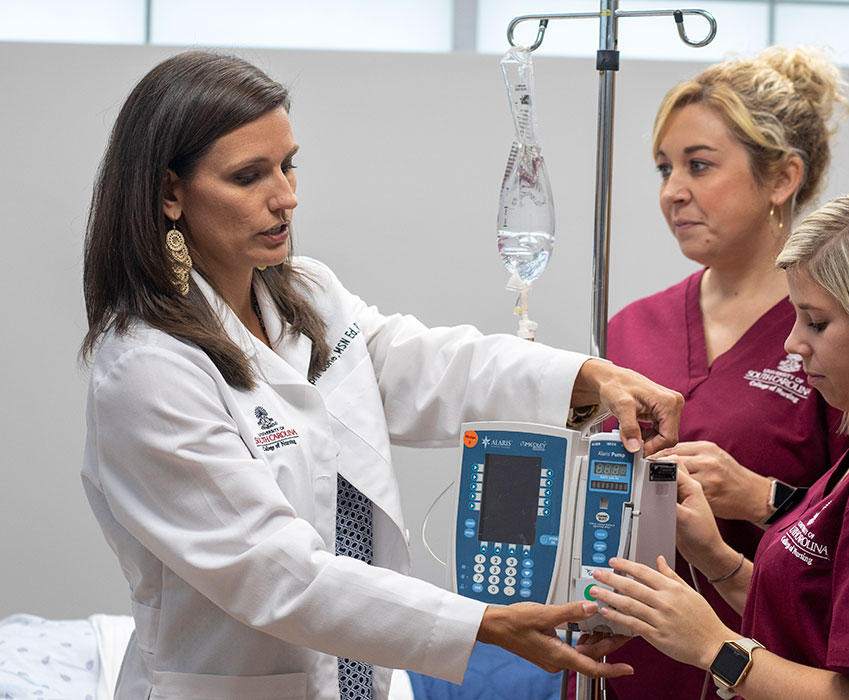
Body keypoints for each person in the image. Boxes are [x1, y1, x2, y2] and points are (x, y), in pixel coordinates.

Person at [79, 51, 685, 700]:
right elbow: (280, 575)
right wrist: (483, 625)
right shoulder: (147, 369)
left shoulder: (304, 294)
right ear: (171, 192)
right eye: (249, 176)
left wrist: (589, 376)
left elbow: (426, 363)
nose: (286, 196)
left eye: (288, 166)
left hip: (361, 681)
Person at [588, 184, 849, 700]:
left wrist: (715, 647)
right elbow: (809, 624)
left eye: (817, 322)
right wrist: (715, 558)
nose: (791, 343)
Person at [602, 46, 849, 698]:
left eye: (699, 165)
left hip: (769, 668)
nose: (671, 191)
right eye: (663, 168)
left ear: (781, 179)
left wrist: (762, 496)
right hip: (628, 663)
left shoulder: (841, 339)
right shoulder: (630, 328)